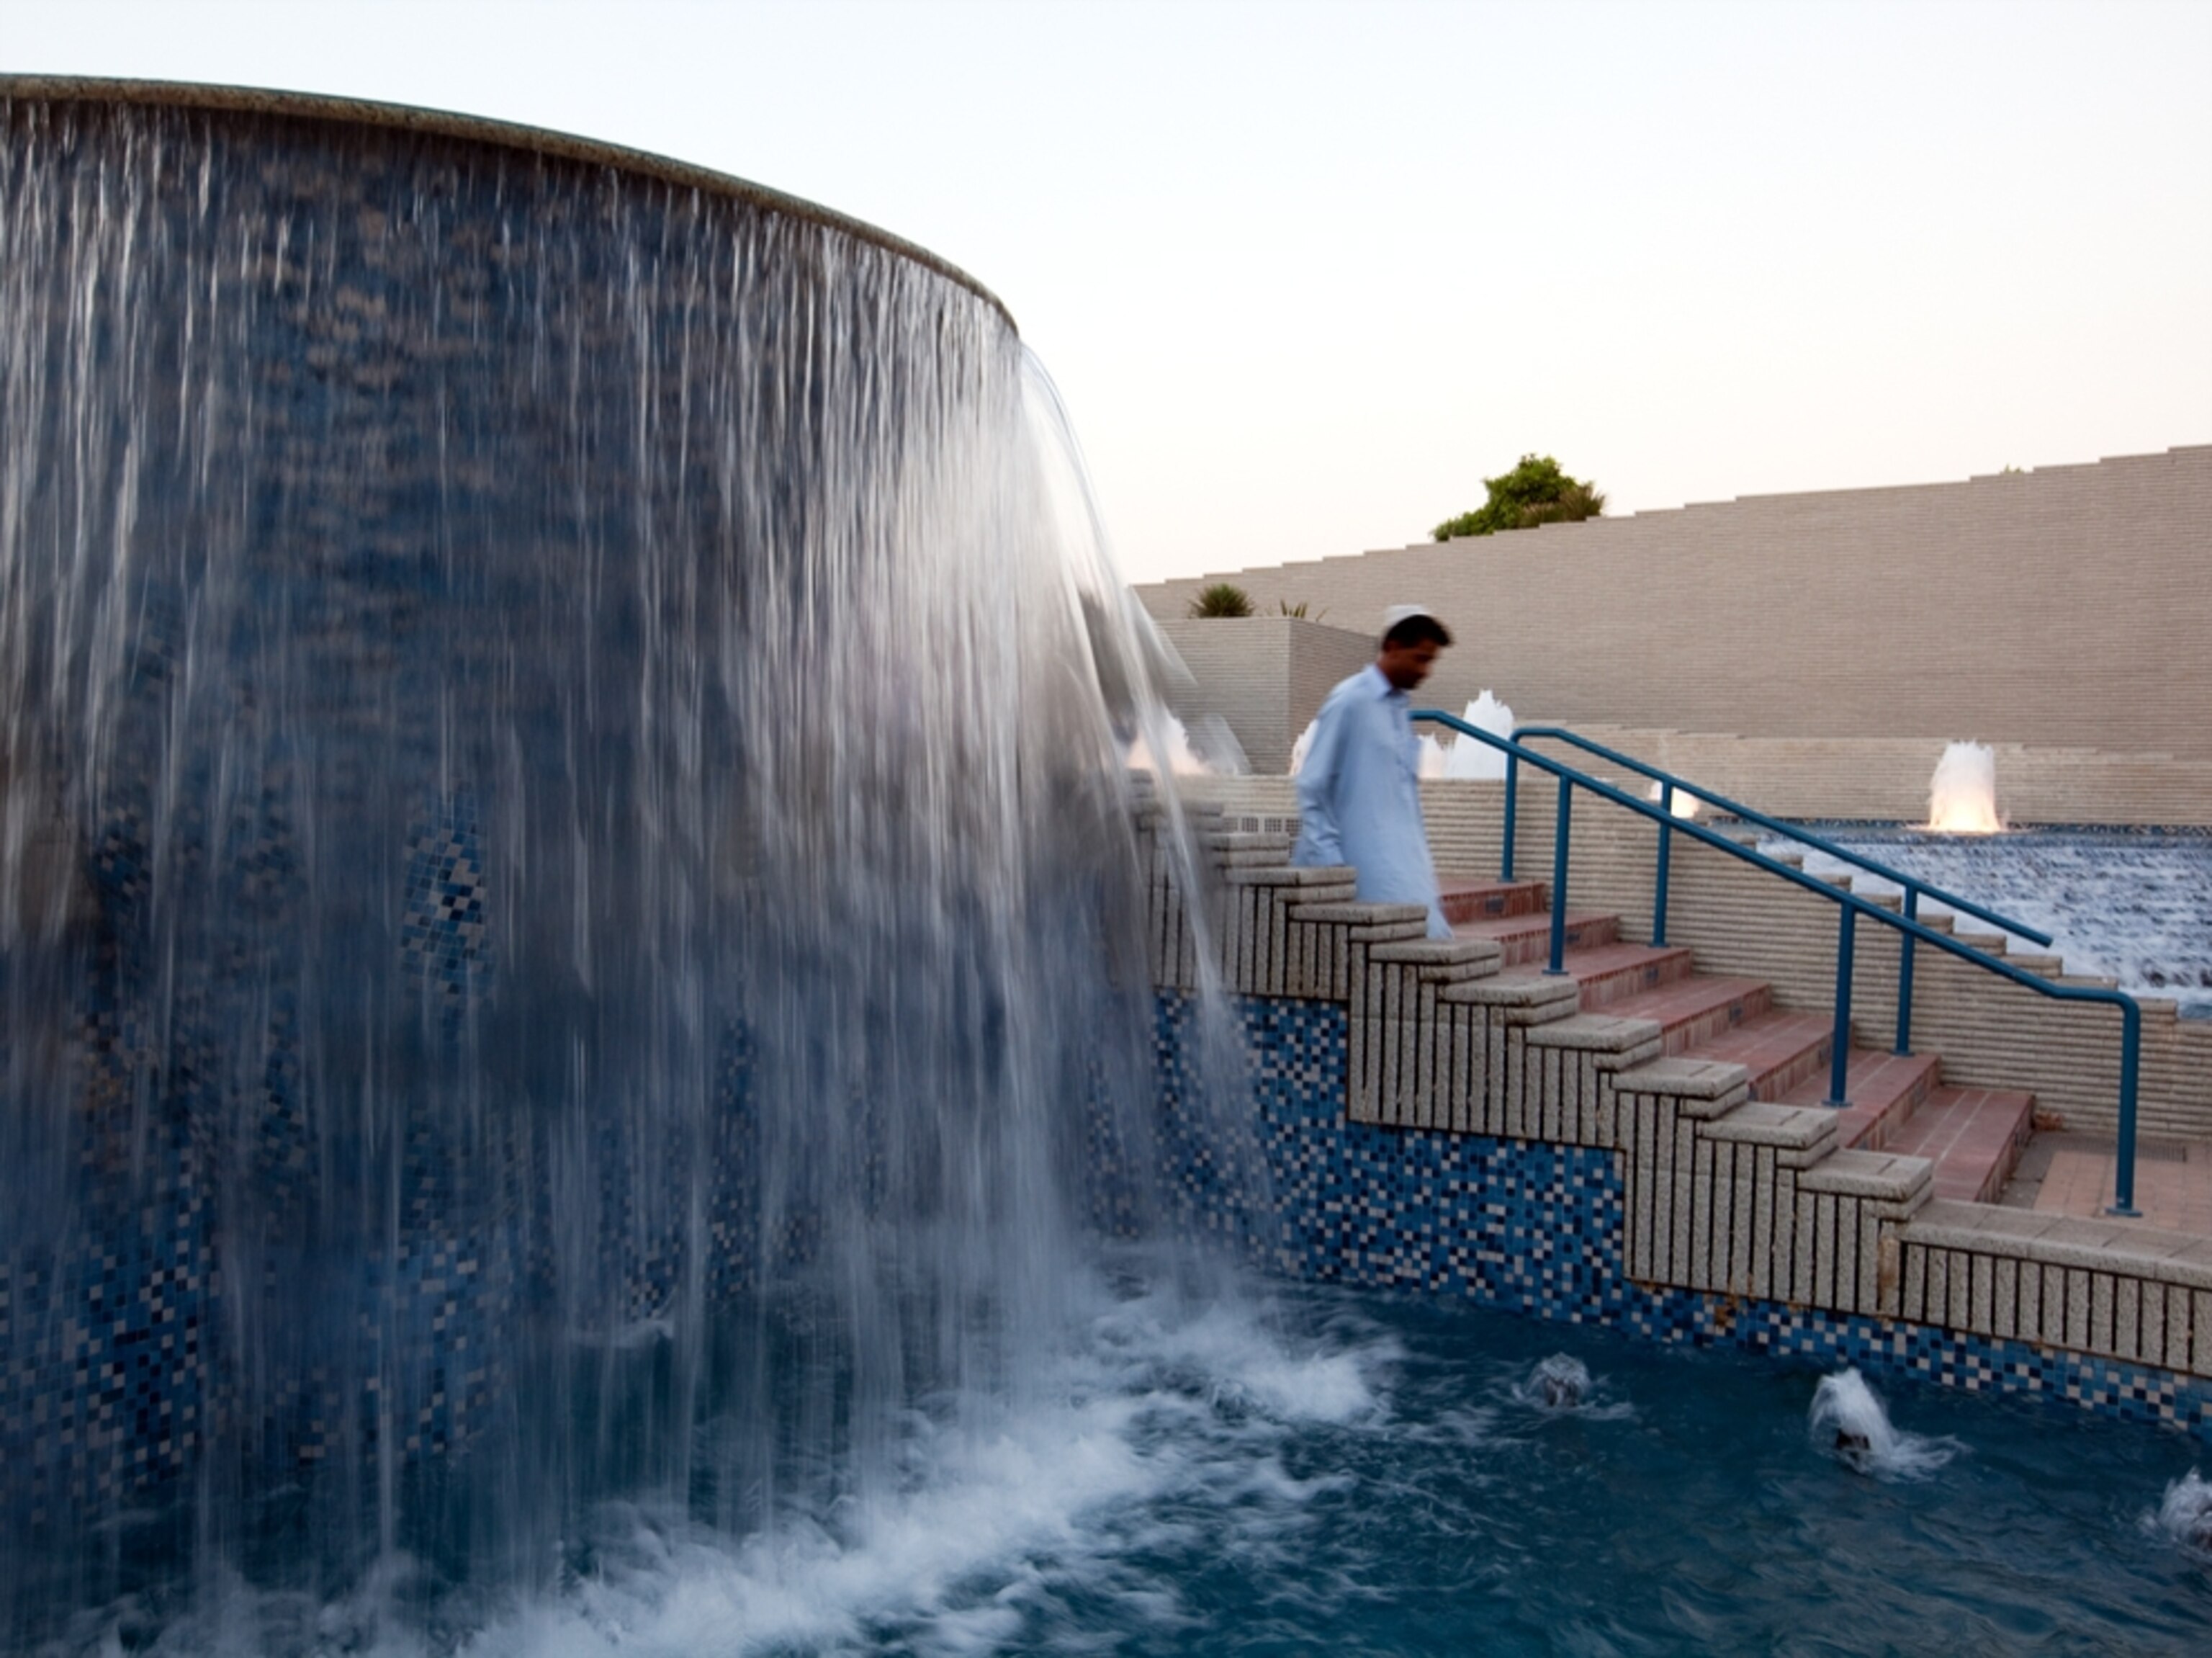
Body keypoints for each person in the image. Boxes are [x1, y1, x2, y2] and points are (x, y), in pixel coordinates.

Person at [1292, 604, 1454, 939]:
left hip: (1406, 877)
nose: (1426, 671)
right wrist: (1332, 869)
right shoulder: (1351, 701)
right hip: (1364, 882)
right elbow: (1312, 784)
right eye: (1421, 659)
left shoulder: (1398, 711)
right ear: (1393, 647)